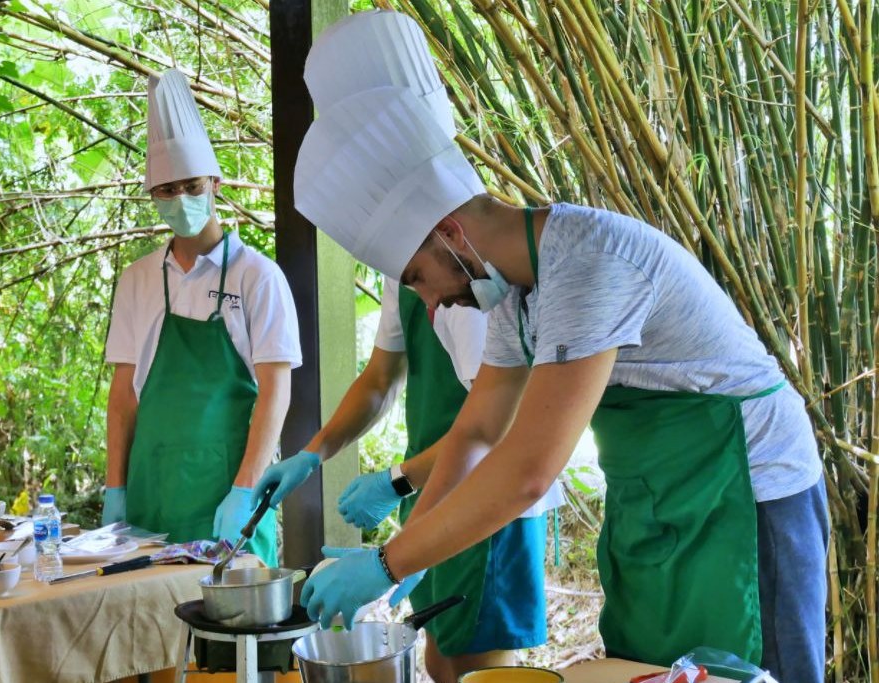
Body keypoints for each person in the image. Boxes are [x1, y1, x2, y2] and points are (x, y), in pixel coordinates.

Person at [293, 86, 828, 683]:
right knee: (654, 668)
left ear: (451, 233)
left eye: (419, 277)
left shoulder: (589, 263)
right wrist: (409, 550)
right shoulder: (512, 298)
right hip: (656, 499)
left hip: (747, 492)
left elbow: (527, 470)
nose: (432, 303)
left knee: (746, 671)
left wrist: (388, 565)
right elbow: (476, 432)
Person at [254, 277, 561, 682]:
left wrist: (398, 480)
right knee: (440, 658)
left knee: (476, 667)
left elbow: (489, 431)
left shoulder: (470, 283)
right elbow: (380, 379)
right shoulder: (403, 269)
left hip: (489, 504)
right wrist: (313, 453)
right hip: (432, 486)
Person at [100, 69, 301, 566]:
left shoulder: (259, 277)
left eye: (190, 185)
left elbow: (275, 392)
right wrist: (115, 489)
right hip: (150, 497)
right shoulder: (138, 280)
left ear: (215, 182)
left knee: (233, 637)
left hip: (229, 499)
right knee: (149, 637)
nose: (180, 199)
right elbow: (123, 397)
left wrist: (245, 491)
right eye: (166, 190)